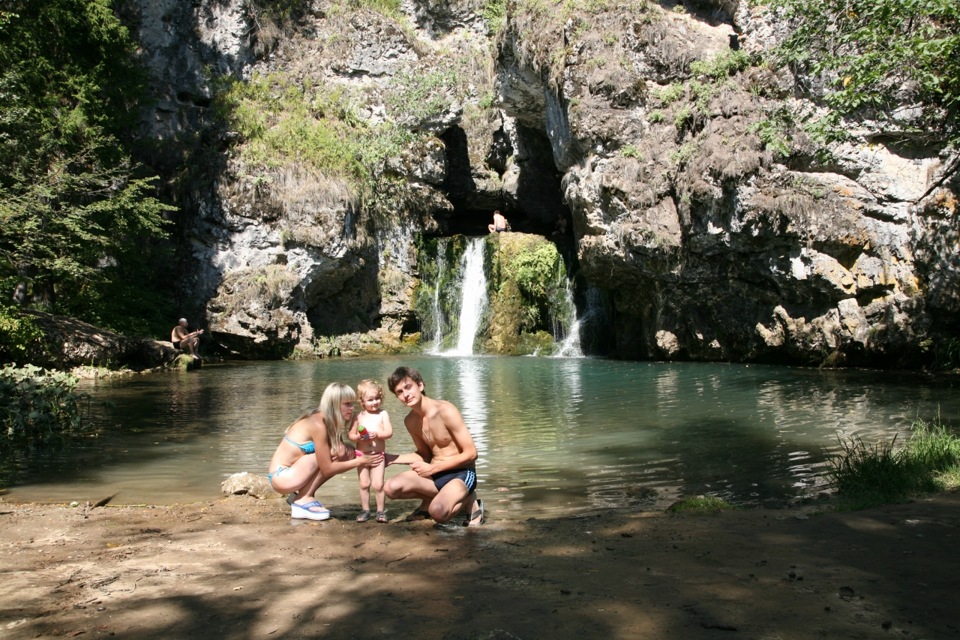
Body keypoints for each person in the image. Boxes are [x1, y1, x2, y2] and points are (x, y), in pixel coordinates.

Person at [384, 366, 484, 526]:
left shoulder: (446, 410)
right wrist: (391, 458)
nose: (405, 394)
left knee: (438, 513)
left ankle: (470, 500)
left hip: (462, 474)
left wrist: (431, 469)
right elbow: (424, 455)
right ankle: (433, 499)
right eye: (399, 392)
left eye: (408, 387)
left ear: (420, 385)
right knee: (390, 488)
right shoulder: (410, 421)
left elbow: (472, 454)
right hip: (435, 474)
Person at [267, 382, 384, 520]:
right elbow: (327, 468)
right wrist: (360, 461)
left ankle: (300, 497)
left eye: (352, 404)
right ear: (334, 404)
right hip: (282, 477)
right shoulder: (318, 423)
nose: (352, 408)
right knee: (340, 452)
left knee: (348, 451)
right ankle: (303, 499)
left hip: (292, 474)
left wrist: (370, 454)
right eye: (347, 404)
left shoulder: (327, 420)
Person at [347, 379, 394, 523]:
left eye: (377, 398)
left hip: (378, 456)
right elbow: (351, 434)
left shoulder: (383, 414)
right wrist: (359, 439)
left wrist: (378, 434)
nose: (374, 402)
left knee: (378, 484)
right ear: (362, 401)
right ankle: (365, 510)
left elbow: (389, 432)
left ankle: (381, 511)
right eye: (370, 400)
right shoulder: (358, 416)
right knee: (364, 484)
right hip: (362, 456)